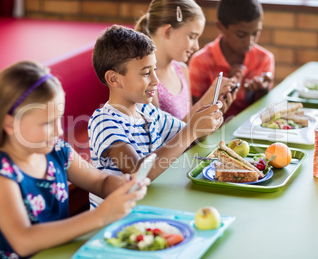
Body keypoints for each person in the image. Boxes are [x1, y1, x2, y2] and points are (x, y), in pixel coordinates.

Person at [0, 61, 149, 259]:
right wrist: (100, 217)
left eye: (58, 119)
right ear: (11, 124)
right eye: (47, 123)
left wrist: (123, 187)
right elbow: (23, 241)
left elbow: (100, 182)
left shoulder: (57, 150)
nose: (58, 130)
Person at [88, 25, 223, 208]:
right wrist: (191, 130)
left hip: (151, 206)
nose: (156, 81)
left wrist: (205, 122)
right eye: (146, 73)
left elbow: (190, 138)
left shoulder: (149, 112)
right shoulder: (104, 122)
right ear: (114, 79)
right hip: (118, 220)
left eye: (154, 70)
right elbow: (138, 172)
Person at [134, 0, 236, 122]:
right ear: (168, 31)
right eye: (192, 37)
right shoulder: (146, 79)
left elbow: (192, 133)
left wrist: (213, 112)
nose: (196, 46)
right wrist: (205, 100)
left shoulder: (182, 70)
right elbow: (163, 138)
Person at [189, 0, 275, 121]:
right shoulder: (201, 62)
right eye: (241, 35)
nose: (249, 42)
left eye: (255, 33)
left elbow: (264, 111)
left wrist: (262, 92)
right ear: (221, 27)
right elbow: (195, 116)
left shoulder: (264, 58)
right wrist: (225, 90)